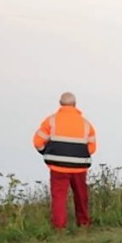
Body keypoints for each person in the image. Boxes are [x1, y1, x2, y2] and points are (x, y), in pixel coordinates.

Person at [32, 91, 97, 230]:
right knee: (81, 196)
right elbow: (92, 148)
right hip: (79, 167)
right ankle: (84, 224)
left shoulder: (51, 121)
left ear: (60, 104)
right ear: (75, 104)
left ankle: (59, 227)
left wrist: (47, 152)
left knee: (59, 198)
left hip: (58, 167)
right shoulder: (86, 124)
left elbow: (37, 142)